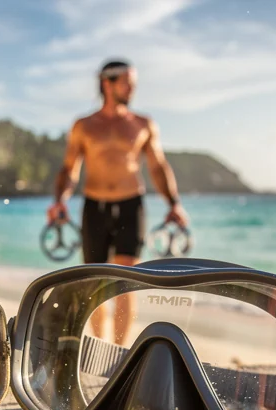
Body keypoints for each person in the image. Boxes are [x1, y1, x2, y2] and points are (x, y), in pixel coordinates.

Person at [47, 59, 188, 346]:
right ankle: (103, 347)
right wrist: (60, 201)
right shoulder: (84, 125)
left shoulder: (142, 124)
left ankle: (120, 351)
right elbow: (69, 169)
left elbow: (158, 167)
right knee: (96, 282)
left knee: (125, 282)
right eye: (127, 82)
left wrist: (174, 203)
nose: (132, 88)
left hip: (130, 205)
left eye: (133, 83)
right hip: (94, 206)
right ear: (107, 83)